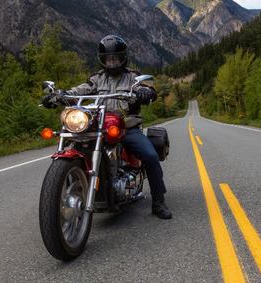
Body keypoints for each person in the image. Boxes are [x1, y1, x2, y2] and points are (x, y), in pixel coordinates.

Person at [41, 35, 172, 219]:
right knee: (75, 141)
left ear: (122, 58)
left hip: (127, 127)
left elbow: (148, 89)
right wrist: (59, 96)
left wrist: (145, 92)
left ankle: (158, 202)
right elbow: (79, 91)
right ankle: (65, 190)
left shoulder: (132, 77)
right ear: (102, 59)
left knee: (150, 155)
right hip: (99, 127)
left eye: (115, 58)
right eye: (108, 58)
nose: (112, 62)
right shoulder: (96, 79)